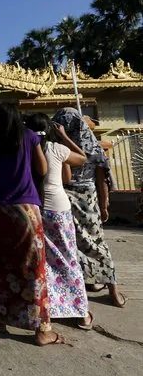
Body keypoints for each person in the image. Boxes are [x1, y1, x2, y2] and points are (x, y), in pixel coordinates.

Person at [0, 103, 65, 346]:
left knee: (3, 265)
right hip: (26, 207)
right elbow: (42, 168)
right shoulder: (28, 136)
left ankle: (2, 318)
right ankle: (41, 329)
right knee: (34, 266)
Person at [52, 107, 127, 308]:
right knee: (84, 245)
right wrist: (103, 205)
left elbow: (100, 178)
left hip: (77, 199)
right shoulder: (68, 146)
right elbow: (100, 180)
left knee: (87, 244)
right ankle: (99, 285)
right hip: (76, 199)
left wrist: (104, 204)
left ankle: (110, 287)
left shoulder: (75, 146)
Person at [24, 113, 92, 328]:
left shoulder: (26, 149)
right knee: (69, 258)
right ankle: (81, 311)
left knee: (44, 261)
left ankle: (52, 307)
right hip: (59, 209)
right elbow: (82, 158)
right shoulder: (56, 148)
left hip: (36, 207)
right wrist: (64, 137)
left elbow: (66, 177)